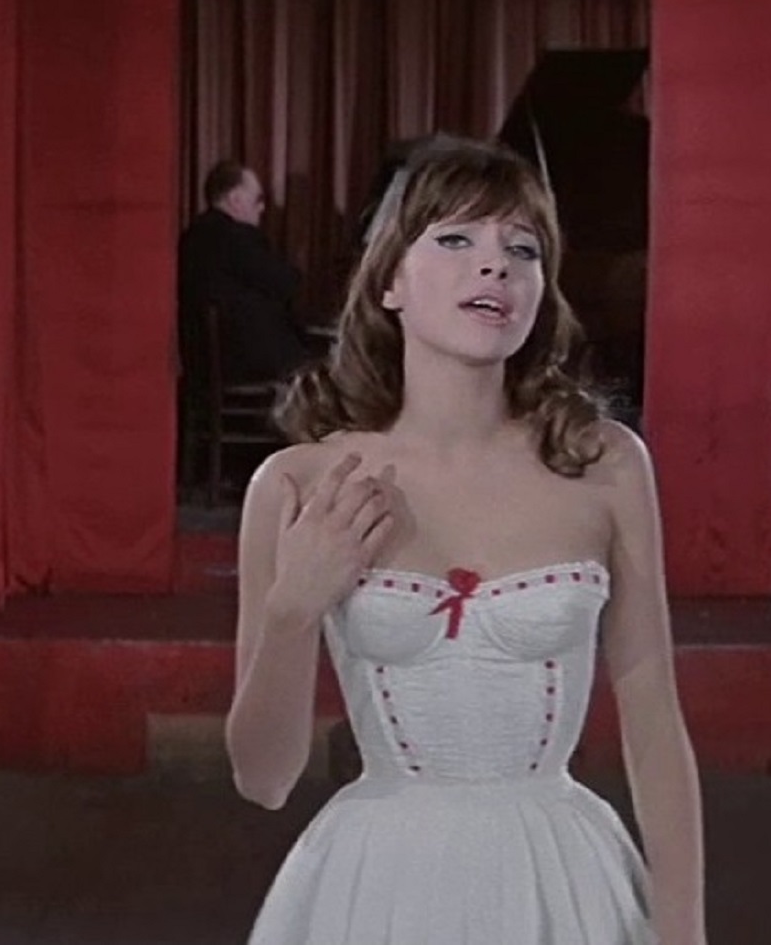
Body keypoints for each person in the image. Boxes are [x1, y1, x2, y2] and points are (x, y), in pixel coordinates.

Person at [225, 137, 706, 944]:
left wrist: (686, 931)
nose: (495, 266)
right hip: (378, 890)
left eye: (522, 249)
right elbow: (263, 777)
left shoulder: (605, 465)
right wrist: (291, 610)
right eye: (456, 238)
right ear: (390, 280)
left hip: (558, 879)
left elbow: (655, 724)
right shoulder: (299, 484)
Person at [177, 159, 308, 383]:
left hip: (204, 368)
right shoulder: (237, 238)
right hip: (249, 365)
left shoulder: (191, 237)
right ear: (235, 200)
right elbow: (287, 282)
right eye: (258, 199)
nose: (262, 208)